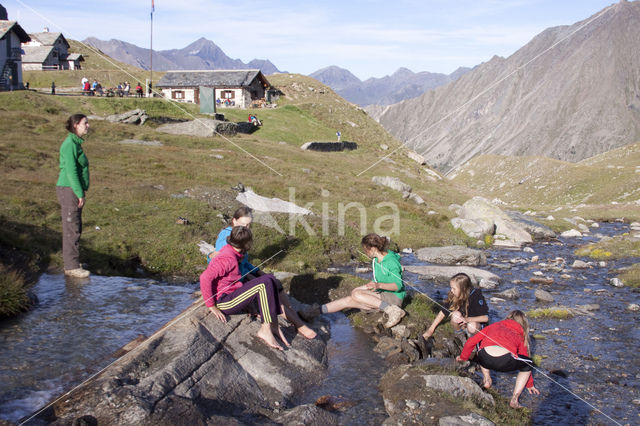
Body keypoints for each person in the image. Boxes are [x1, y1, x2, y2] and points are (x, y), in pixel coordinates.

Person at [209, 207, 316, 339]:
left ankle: (291, 314)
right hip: (235, 282)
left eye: (249, 224)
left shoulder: (242, 234)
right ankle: (298, 324)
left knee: (273, 281)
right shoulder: (228, 236)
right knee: (267, 288)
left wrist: (258, 271)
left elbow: (244, 262)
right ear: (234, 221)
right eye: (243, 224)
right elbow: (219, 260)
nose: (247, 227)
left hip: (243, 274)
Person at [200, 226, 288, 350]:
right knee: (263, 284)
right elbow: (205, 277)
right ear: (247, 243)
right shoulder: (227, 258)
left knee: (270, 279)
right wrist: (211, 305)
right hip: (224, 302)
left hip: (234, 294)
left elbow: (245, 266)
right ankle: (265, 330)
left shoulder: (234, 252)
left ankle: (273, 323)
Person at [300, 233, 406, 329]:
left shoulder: (391, 261)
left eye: (365, 249)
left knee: (356, 294)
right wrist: (361, 288)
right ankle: (314, 312)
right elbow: (375, 281)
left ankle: (392, 311)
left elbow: (398, 286)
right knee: (349, 299)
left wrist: (379, 285)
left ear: (373, 248)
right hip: (382, 294)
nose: (365, 252)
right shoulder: (376, 260)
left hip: (394, 298)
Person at [456, 310, 540, 408]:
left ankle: (487, 378)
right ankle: (514, 399)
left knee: (481, 343)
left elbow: (471, 342)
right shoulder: (520, 333)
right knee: (528, 363)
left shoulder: (494, 325)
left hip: (484, 357)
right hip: (504, 361)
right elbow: (523, 356)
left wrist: (463, 358)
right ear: (523, 324)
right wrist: (529, 384)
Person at [56, 114, 90, 278]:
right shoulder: (70, 144)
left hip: (72, 189)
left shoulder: (75, 143)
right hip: (69, 189)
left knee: (75, 226)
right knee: (71, 227)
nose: (88, 126)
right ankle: (71, 266)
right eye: (85, 123)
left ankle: (73, 262)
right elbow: (71, 171)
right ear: (76, 125)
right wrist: (79, 193)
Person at [422, 272, 489, 343]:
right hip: (463, 324)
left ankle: (474, 341)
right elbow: (443, 312)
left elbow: (485, 318)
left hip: (475, 325)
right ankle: (460, 335)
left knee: (472, 326)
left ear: (463, 289)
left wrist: (467, 319)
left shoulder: (476, 296)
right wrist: (430, 330)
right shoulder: (453, 294)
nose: (451, 290)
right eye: (451, 288)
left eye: (454, 288)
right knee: (455, 315)